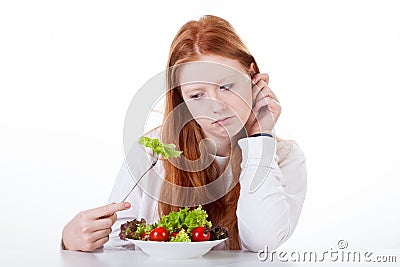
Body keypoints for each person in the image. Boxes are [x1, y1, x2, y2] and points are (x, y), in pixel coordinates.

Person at [62, 15, 307, 252]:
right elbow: (117, 244)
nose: (216, 106)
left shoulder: (285, 157)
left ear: (254, 76)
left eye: (226, 86)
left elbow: (263, 242)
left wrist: (260, 139)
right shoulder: (153, 152)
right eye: (196, 95)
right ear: (182, 99)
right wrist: (70, 241)